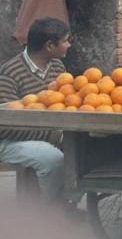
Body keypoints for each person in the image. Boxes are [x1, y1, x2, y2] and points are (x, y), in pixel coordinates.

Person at [0, 18, 71, 204]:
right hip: (7, 141)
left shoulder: (57, 67)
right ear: (49, 45)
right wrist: (51, 135)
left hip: (46, 134)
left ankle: (64, 201)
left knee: (83, 152)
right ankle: (47, 212)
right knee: (52, 159)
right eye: (65, 40)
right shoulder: (10, 73)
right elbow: (5, 125)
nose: (68, 45)